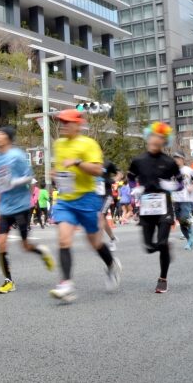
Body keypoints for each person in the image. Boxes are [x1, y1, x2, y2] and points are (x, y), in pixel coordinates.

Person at [49, 110, 121, 303]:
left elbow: (98, 169)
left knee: (95, 242)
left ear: (78, 124)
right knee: (64, 240)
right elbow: (62, 168)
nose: (63, 125)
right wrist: (56, 173)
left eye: (67, 122)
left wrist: (78, 162)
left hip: (88, 199)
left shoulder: (89, 144)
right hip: (66, 200)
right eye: (61, 122)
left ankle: (111, 265)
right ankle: (66, 285)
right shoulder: (58, 144)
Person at [0, 126, 54, 294]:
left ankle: (40, 251)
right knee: (1, 244)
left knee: (24, 246)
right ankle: (8, 281)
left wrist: (14, 182)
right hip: (5, 207)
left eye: (0, 134)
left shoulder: (17, 156)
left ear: (8, 138)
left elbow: (29, 177)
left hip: (21, 206)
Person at [128, 122, 183, 294]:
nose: (155, 140)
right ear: (147, 137)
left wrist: (171, 186)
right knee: (149, 247)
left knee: (161, 242)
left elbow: (181, 183)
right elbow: (130, 177)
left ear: (164, 141)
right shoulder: (138, 160)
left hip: (164, 206)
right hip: (146, 207)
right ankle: (165, 246)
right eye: (153, 136)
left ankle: (163, 279)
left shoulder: (169, 162)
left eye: (160, 138)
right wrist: (134, 188)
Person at [172, 151, 193, 249]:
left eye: (178, 158)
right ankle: (189, 241)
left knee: (184, 218)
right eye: (175, 158)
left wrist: (192, 186)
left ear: (183, 159)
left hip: (186, 198)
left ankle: (192, 233)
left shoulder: (188, 170)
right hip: (175, 199)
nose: (176, 160)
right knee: (181, 223)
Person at [97, 160, 119, 251]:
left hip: (107, 195)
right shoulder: (89, 163)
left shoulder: (108, 163)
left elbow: (119, 173)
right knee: (103, 219)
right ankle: (112, 238)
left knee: (101, 216)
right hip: (96, 196)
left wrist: (113, 180)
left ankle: (99, 242)